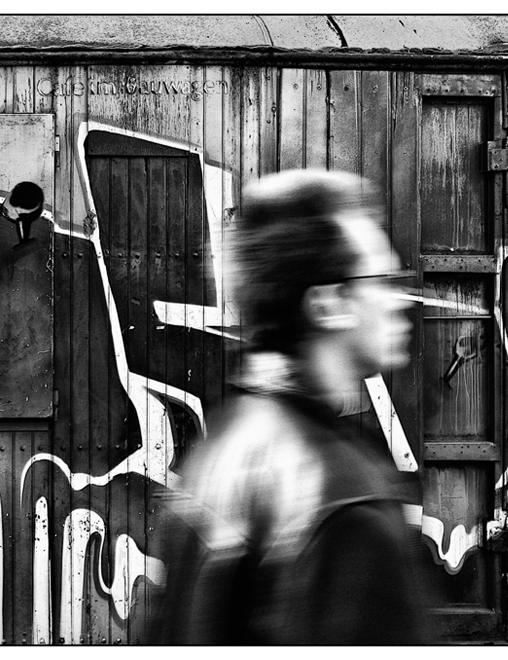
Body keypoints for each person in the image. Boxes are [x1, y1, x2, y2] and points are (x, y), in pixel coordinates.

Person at [148, 169, 433, 645]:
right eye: (382, 280)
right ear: (327, 305)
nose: (399, 301)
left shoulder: (219, 449)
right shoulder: (346, 501)